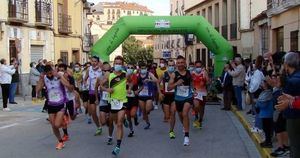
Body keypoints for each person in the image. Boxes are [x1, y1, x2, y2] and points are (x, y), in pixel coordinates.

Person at [36, 65, 72, 150]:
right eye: (47, 74)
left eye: (50, 73)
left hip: (61, 103)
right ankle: (60, 141)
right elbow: (37, 90)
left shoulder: (58, 75)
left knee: (57, 124)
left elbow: (68, 86)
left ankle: (63, 120)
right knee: (54, 126)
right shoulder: (44, 78)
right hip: (51, 104)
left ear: (53, 71)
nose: (49, 75)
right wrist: (41, 79)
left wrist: (60, 77)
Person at [100, 56, 129, 156]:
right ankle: (124, 119)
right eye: (116, 63)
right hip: (112, 102)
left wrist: (129, 89)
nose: (117, 65)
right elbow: (101, 85)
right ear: (113, 64)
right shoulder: (109, 75)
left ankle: (117, 146)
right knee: (112, 121)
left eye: (119, 63)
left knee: (119, 124)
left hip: (123, 101)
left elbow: (132, 83)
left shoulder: (125, 75)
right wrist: (107, 90)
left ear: (122, 65)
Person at [275, 52, 300, 158]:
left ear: (286, 64)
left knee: (295, 146)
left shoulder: (292, 80)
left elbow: (281, 97)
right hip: (294, 112)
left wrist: (290, 101)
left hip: (294, 116)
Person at [168, 55, 193, 146]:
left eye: (182, 62)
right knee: (181, 116)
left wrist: (194, 90)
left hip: (188, 97)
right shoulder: (174, 74)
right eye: (178, 63)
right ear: (176, 64)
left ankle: (186, 137)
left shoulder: (189, 73)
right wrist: (176, 83)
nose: (180, 64)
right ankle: (185, 126)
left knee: (185, 113)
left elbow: (192, 83)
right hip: (178, 99)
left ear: (185, 63)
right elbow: (169, 87)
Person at [269, 73, 290, 157]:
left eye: (278, 80)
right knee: (282, 129)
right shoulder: (281, 90)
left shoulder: (280, 92)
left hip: (279, 112)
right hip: (282, 112)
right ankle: (285, 146)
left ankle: (282, 147)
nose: (276, 81)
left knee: (279, 130)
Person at [95, 62, 114, 143]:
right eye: (104, 70)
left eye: (108, 70)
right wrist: (96, 98)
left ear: (111, 70)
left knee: (110, 121)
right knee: (103, 122)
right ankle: (107, 121)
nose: (106, 72)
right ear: (101, 70)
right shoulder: (99, 78)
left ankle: (110, 137)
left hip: (112, 100)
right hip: (103, 100)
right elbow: (96, 88)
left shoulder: (114, 77)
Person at [136, 62, 158, 130]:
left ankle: (151, 107)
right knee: (144, 111)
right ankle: (147, 123)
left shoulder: (149, 74)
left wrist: (149, 80)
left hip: (148, 95)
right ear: (139, 69)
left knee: (147, 109)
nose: (143, 69)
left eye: (144, 68)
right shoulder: (137, 75)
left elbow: (156, 80)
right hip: (141, 95)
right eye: (142, 68)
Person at [84, 56, 102, 135]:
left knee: (103, 112)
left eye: (95, 61)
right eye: (92, 61)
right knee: (93, 112)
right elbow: (85, 78)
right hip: (92, 92)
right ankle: (99, 127)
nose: (93, 63)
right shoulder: (89, 69)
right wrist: (85, 83)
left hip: (101, 92)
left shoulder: (101, 69)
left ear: (98, 62)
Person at [160, 60, 176, 139]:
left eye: (172, 65)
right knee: (167, 116)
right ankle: (170, 123)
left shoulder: (176, 74)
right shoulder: (164, 74)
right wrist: (160, 93)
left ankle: (171, 131)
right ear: (167, 66)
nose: (171, 67)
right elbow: (158, 83)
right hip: (166, 96)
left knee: (173, 113)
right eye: (170, 65)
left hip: (174, 96)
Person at [255, 80, 274, 148]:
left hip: (267, 114)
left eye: (263, 83)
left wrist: (257, 103)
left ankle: (268, 142)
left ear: (266, 85)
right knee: (265, 129)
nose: (261, 84)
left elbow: (263, 103)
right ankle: (267, 141)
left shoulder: (268, 93)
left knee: (267, 129)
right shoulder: (264, 92)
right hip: (264, 113)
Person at [192, 60, 209, 129]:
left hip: (203, 92)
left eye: (199, 66)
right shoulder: (192, 73)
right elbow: (190, 82)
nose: (198, 68)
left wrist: (204, 82)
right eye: (197, 66)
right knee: (196, 106)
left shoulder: (204, 72)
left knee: (202, 107)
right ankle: (196, 115)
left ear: (201, 67)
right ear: (195, 67)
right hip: (196, 92)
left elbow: (208, 82)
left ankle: (200, 120)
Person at [125, 63, 139, 137]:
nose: (129, 69)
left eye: (131, 68)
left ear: (133, 69)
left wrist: (137, 91)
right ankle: (131, 130)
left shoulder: (135, 76)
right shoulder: (123, 77)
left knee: (132, 114)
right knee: (128, 117)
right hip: (126, 99)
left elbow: (133, 83)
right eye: (128, 67)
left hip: (134, 98)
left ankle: (136, 117)